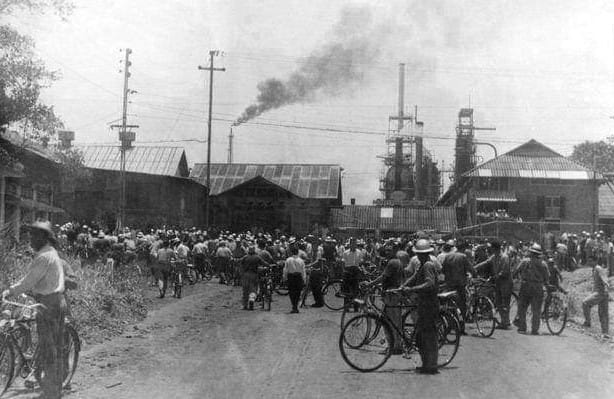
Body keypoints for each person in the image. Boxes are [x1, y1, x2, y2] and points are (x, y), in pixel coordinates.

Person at [2, 221, 66, 398]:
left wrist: (10, 291)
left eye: (34, 235)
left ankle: (52, 393)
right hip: (54, 301)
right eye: (30, 235)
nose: (31, 238)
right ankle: (54, 386)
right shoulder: (50, 252)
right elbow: (37, 280)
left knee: (49, 349)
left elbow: (28, 281)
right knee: (54, 347)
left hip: (49, 304)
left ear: (44, 237)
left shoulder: (44, 256)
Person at [400, 239, 439, 374]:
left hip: (429, 303)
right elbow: (415, 277)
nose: (420, 256)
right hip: (423, 303)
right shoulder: (422, 265)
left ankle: (431, 365)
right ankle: (427, 363)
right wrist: (404, 286)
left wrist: (412, 289)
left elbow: (429, 284)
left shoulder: (428, 265)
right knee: (422, 335)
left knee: (428, 335)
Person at [473, 240, 513, 330]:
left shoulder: (504, 257)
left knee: (505, 303)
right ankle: (504, 321)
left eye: (491, 248)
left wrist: (496, 276)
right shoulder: (494, 257)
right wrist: (474, 267)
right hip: (498, 282)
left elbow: (505, 271)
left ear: (495, 248)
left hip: (505, 282)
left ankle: (506, 322)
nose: (490, 249)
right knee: (498, 303)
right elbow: (486, 262)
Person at [513, 243, 549, 335]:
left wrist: (517, 278)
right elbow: (547, 277)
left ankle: (522, 327)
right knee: (536, 310)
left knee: (522, 307)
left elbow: (516, 270)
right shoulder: (543, 264)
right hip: (538, 287)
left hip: (526, 286)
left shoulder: (525, 261)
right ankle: (534, 329)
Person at [441, 242, 473, 333]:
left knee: (450, 305)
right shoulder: (463, 256)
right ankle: (461, 328)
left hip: (449, 285)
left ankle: (449, 325)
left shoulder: (448, 256)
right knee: (462, 306)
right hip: (460, 285)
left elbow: (443, 270)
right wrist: (474, 274)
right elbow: (470, 268)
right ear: (463, 248)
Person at [582, 255, 610, 337]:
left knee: (585, 303)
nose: (589, 262)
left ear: (595, 261)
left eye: (591, 261)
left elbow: (604, 278)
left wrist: (606, 284)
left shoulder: (598, 268)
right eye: (589, 261)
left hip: (601, 293)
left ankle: (588, 322)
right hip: (602, 293)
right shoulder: (594, 269)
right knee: (603, 313)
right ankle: (605, 333)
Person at [283, 246, 306, 314]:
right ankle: (295, 306)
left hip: (291, 277)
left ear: (291, 252)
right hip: (298, 277)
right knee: (298, 292)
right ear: (298, 252)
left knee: (291, 292)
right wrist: (304, 279)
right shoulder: (301, 261)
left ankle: (294, 306)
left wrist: (284, 278)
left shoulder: (288, 260)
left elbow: (285, 270)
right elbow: (303, 271)